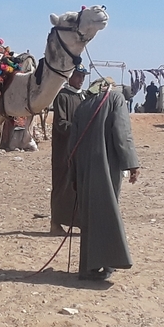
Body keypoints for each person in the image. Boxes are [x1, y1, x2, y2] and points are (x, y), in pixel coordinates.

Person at [68, 79, 140, 281]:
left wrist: (74, 174)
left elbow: (72, 146)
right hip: (106, 166)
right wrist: (132, 164)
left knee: (89, 215)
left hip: (83, 168)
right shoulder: (116, 99)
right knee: (108, 211)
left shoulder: (82, 106)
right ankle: (108, 264)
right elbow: (122, 133)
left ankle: (88, 268)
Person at [50, 65, 88, 234]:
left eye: (83, 76)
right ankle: (56, 223)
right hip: (63, 151)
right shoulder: (62, 96)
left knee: (78, 187)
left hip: (79, 150)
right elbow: (60, 124)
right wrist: (80, 129)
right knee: (62, 185)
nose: (81, 80)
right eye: (78, 76)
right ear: (70, 77)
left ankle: (79, 222)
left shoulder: (84, 97)